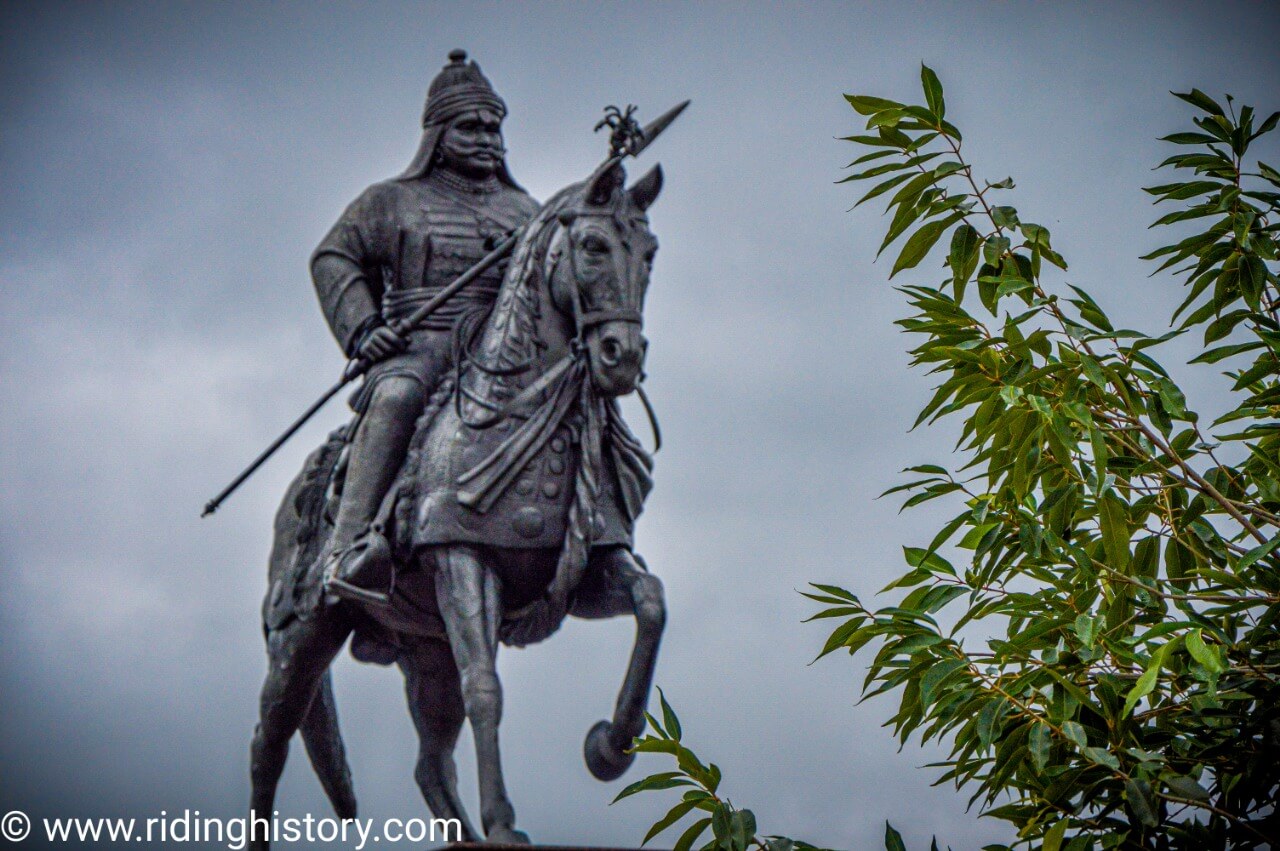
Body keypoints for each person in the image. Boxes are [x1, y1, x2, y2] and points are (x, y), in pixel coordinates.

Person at [311, 49, 540, 604]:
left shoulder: (528, 212)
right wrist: (365, 330)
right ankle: (347, 550)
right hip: (421, 346)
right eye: (470, 127)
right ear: (439, 133)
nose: (487, 138)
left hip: (502, 356)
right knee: (396, 398)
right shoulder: (392, 201)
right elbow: (334, 257)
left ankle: (595, 532)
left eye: (494, 128)